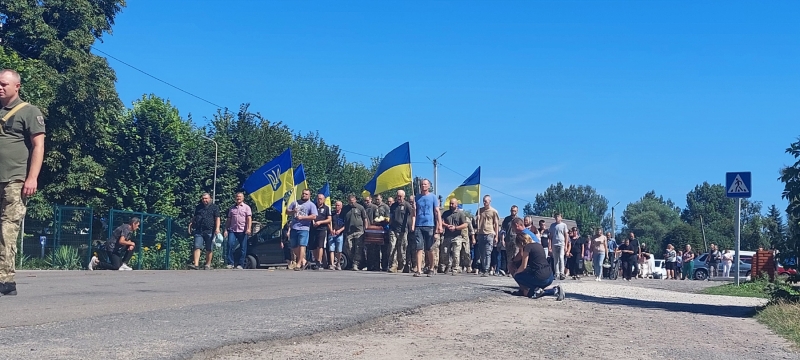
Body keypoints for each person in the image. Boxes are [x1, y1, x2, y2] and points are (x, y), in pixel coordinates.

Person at [0, 69, 46, 296]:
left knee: (7, 229)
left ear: (16, 86)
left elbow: (38, 146)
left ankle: (6, 281)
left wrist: (32, 177)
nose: (0, 87)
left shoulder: (29, 111)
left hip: (15, 180)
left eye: (4, 84)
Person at [510, 218, 564, 300]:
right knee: (529, 292)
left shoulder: (527, 247)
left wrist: (516, 273)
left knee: (519, 277)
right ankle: (549, 290)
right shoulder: (538, 245)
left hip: (541, 276)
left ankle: (552, 290)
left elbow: (523, 266)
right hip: (549, 275)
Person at [412, 179, 442, 277]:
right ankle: (419, 270)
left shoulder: (433, 197)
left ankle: (432, 268)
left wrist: (439, 226)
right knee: (419, 248)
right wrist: (413, 225)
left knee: (429, 249)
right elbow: (414, 214)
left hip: (430, 225)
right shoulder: (417, 197)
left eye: (425, 184)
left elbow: (437, 212)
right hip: (419, 225)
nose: (423, 186)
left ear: (429, 186)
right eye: (422, 184)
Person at [287, 189, 318, 271]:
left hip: (304, 228)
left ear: (309, 195)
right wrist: (293, 211)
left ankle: (299, 263)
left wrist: (303, 217)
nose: (304, 195)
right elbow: (287, 211)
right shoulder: (295, 203)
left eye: (306, 194)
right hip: (294, 227)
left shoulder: (311, 205)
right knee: (293, 246)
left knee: (302, 245)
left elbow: (314, 216)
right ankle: (304, 261)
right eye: (303, 193)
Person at [188, 193, 220, 270]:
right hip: (199, 230)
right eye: (203, 198)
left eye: (206, 198)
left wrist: (217, 228)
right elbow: (195, 217)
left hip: (210, 230)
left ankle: (207, 264)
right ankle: (196, 265)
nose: (204, 200)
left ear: (210, 199)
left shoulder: (214, 207)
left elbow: (217, 218)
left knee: (209, 248)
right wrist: (190, 225)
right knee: (197, 246)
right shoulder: (198, 207)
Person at [224, 192, 252, 269]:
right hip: (233, 230)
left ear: (243, 198)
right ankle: (231, 263)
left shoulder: (246, 207)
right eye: (237, 196)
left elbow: (249, 219)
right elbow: (229, 220)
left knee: (243, 248)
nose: (238, 198)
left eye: (240, 197)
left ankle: (241, 264)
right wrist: (226, 229)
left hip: (243, 230)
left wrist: (249, 228)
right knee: (230, 245)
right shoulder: (232, 208)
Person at [387, 190, 413, 273]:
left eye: (400, 196)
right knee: (392, 247)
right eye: (398, 196)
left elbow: (413, 215)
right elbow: (391, 216)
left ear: (404, 196)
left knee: (402, 249)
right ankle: (393, 265)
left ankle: (402, 265)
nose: (399, 198)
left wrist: (412, 226)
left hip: (403, 230)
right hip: (393, 230)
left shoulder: (407, 205)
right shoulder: (393, 205)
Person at [476, 195, 501, 277]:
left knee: (488, 253)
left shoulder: (494, 211)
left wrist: (496, 236)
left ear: (490, 201)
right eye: (483, 201)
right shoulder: (480, 211)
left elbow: (496, 224)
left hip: (490, 233)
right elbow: (475, 223)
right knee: (482, 253)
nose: (484, 202)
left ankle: (486, 269)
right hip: (481, 233)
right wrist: (477, 218)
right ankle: (483, 267)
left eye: (486, 201)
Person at [441, 198, 468, 275]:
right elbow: (441, 222)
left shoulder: (460, 214)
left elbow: (465, 224)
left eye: (452, 204)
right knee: (445, 253)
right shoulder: (446, 213)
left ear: (456, 204)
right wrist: (447, 225)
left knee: (456, 253)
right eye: (450, 203)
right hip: (447, 236)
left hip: (457, 236)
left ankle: (455, 268)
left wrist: (456, 227)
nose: (451, 205)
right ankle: (447, 265)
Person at [342, 194, 368, 270]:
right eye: (350, 201)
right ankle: (357, 261)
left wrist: (365, 229)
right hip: (349, 231)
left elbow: (365, 219)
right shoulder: (345, 208)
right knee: (349, 248)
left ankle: (356, 264)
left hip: (359, 231)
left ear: (355, 200)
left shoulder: (360, 207)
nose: (351, 203)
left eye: (352, 201)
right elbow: (341, 219)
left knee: (358, 248)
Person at [312, 193, 332, 267]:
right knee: (313, 246)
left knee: (320, 245)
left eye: (321, 199)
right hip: (313, 228)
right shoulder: (313, 206)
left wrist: (320, 222)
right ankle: (315, 259)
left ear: (324, 200)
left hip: (322, 229)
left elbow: (329, 219)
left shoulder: (326, 208)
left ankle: (318, 261)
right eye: (318, 198)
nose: (319, 200)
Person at [499, 206, 520, 276]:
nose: (513, 212)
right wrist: (502, 239)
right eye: (512, 210)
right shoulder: (506, 219)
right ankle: (509, 270)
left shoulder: (519, 220)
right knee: (509, 256)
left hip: (516, 240)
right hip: (508, 239)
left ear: (517, 211)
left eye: (514, 211)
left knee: (516, 255)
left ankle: (515, 271)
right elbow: (503, 230)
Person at [549, 212, 569, 280]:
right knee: (555, 259)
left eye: (558, 216)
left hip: (561, 244)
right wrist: (550, 246)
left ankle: (562, 273)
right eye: (556, 217)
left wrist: (566, 245)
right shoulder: (552, 225)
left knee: (561, 257)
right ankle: (556, 273)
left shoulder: (564, 225)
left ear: (561, 217)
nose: (557, 218)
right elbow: (550, 237)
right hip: (554, 244)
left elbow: (566, 235)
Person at [328, 201, 345, 270]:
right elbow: (329, 222)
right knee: (331, 249)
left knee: (339, 250)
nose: (337, 207)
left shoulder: (344, 214)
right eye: (336, 205)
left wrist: (340, 230)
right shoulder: (332, 213)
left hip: (340, 234)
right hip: (332, 234)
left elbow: (345, 225)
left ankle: (338, 263)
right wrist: (331, 229)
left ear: (341, 206)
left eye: (338, 205)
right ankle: (332, 264)